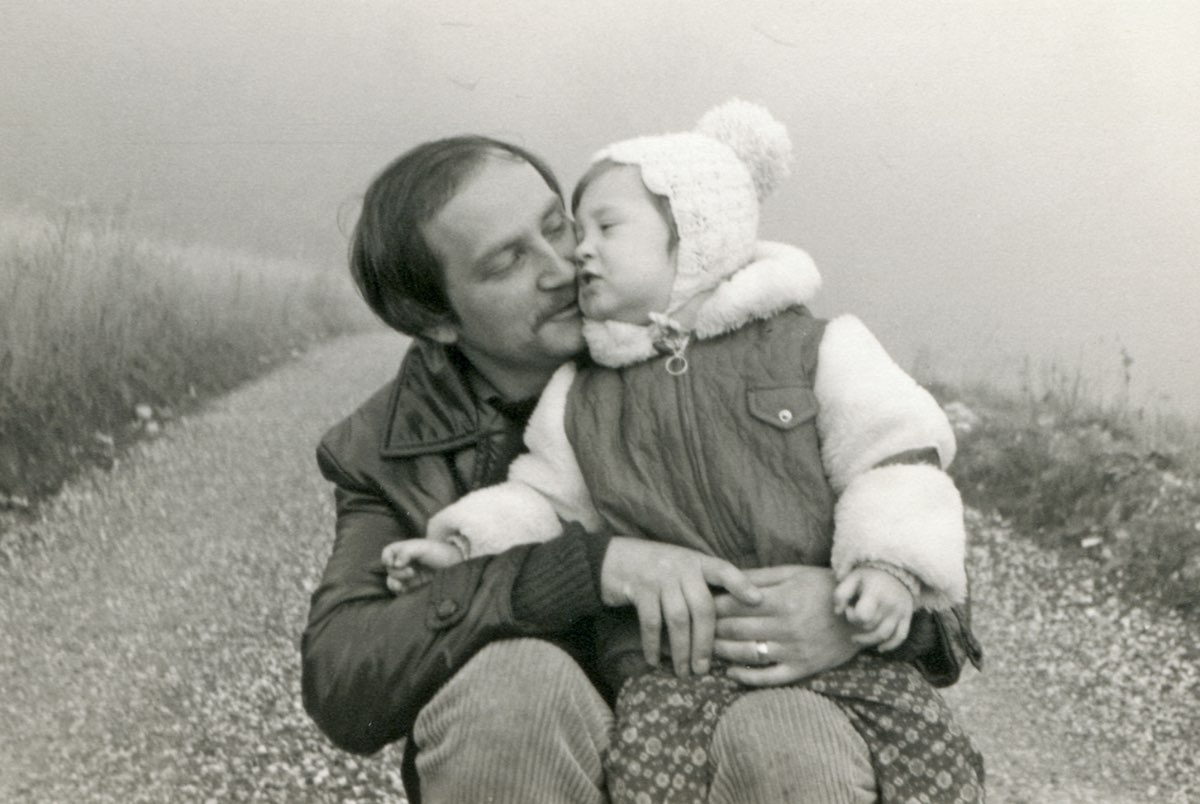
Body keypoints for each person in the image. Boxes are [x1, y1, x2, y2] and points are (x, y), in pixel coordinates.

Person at [302, 121, 979, 803]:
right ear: (437, 322)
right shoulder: (391, 447)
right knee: (513, 687)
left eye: (558, 226)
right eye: (506, 261)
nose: (563, 267)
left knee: (790, 742)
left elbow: (902, 500)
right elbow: (343, 675)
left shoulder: (731, 342)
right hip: (581, 730)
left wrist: (847, 610)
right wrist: (592, 568)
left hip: (754, 712)